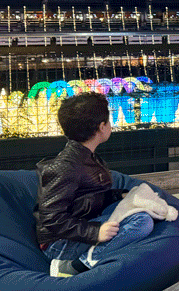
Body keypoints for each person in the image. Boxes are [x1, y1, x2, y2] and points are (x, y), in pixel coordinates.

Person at [34, 92, 154, 277]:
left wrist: (117, 196)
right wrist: (94, 232)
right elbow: (52, 220)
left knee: (141, 205)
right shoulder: (66, 167)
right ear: (101, 127)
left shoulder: (86, 156)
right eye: (109, 121)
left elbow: (86, 198)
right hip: (59, 245)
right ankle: (76, 266)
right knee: (142, 221)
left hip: (80, 226)